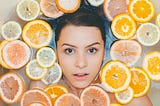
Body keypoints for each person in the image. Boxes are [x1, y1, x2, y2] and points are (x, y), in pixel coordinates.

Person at [53, 8, 152, 106]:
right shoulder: (42, 94)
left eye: (92, 50)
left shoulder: (132, 100)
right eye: (69, 50)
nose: (81, 63)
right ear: (56, 52)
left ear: (104, 52)